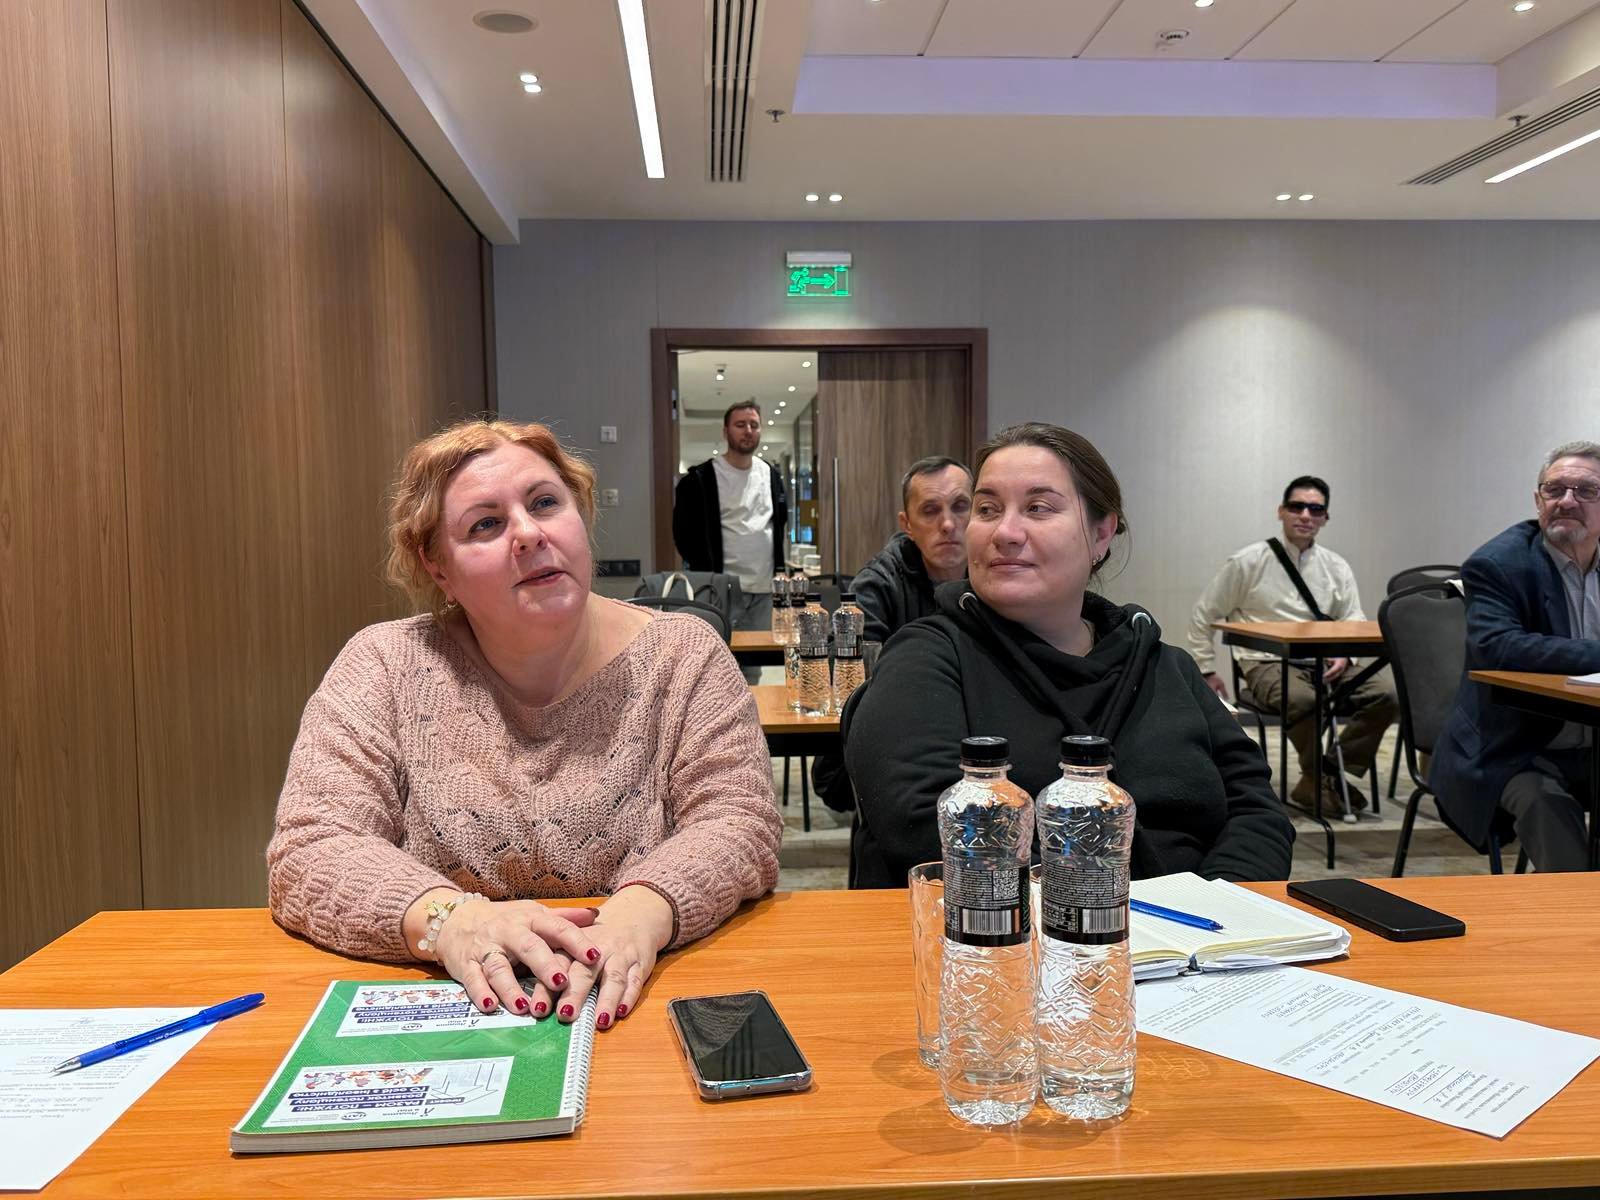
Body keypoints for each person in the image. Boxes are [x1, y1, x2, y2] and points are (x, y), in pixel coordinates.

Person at [268, 418, 781, 1032]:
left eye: (544, 503)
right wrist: (449, 920)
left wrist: (647, 907)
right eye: (485, 524)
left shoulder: (684, 655)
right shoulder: (384, 664)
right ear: (438, 568)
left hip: (643, 1001)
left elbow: (738, 822)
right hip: (454, 1016)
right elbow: (312, 847)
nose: (530, 533)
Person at [844, 422, 1293, 888]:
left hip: (1208, 928)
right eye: (987, 509)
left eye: (1037, 508)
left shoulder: (1165, 665)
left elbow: (1256, 810)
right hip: (1014, 930)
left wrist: (1219, 908)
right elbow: (935, 831)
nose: (1005, 532)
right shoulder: (924, 660)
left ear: (1101, 534)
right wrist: (1109, 913)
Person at [1432, 441, 1600, 872]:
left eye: (1586, 491)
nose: (1567, 501)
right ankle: (1575, 910)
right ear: (1537, 500)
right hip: (1515, 745)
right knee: (1547, 806)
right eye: (1554, 490)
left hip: (1592, 743)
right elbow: (1498, 647)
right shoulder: (1497, 564)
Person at [1186, 476, 1397, 812]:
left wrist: (1345, 653)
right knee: (1302, 699)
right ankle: (1318, 778)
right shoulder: (1248, 561)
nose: (1305, 515)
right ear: (1281, 511)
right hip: (1265, 661)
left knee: (1387, 694)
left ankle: (1328, 772)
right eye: (1297, 507)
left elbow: (1353, 617)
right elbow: (1204, 613)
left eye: (1315, 509)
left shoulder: (1336, 566)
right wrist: (1206, 669)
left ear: (1325, 517)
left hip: (1326, 660)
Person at [672, 401, 789, 640]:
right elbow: (683, 534)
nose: (748, 431)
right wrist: (703, 570)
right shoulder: (700, 479)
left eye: (754, 425)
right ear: (726, 431)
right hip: (718, 589)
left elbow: (779, 524)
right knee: (717, 652)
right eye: (740, 425)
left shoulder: (771, 475)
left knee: (759, 656)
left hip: (765, 589)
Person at [851, 456, 973, 645]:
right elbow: (850, 658)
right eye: (930, 510)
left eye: (960, 507)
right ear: (907, 524)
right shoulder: (879, 583)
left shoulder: (999, 571)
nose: (948, 525)